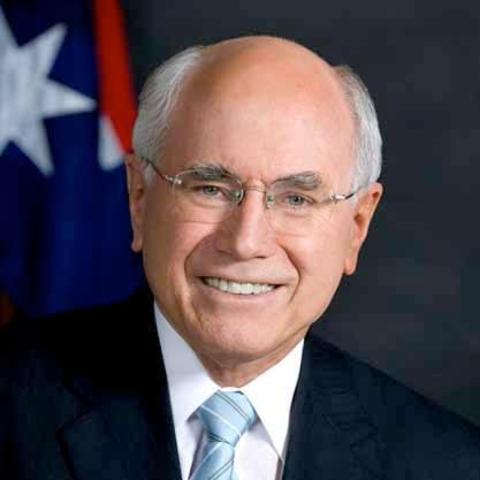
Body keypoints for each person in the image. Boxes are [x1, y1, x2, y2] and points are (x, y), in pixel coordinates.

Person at [1, 35, 479, 480]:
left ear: (357, 225)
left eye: (296, 199)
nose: (246, 241)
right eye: (210, 188)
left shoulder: (446, 463)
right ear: (139, 198)